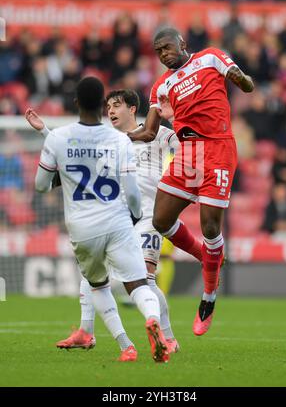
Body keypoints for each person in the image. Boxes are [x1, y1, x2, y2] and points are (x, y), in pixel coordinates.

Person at [26, 89, 182, 355]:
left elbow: (191, 145)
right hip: (117, 216)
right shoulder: (108, 141)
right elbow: (71, 155)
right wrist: (45, 132)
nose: (110, 110)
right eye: (108, 106)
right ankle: (86, 330)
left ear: (132, 109)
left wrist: (176, 118)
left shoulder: (160, 134)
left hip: (147, 217)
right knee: (92, 274)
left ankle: (168, 338)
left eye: (117, 105)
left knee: (146, 278)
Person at [127, 27, 254, 336]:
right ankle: (206, 257)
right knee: (160, 219)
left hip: (219, 147)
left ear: (181, 43)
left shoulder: (210, 57)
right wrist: (119, 135)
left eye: (167, 47)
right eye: (158, 52)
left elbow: (246, 84)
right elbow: (149, 132)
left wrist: (239, 77)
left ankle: (208, 298)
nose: (164, 54)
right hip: (189, 151)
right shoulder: (161, 86)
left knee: (211, 226)